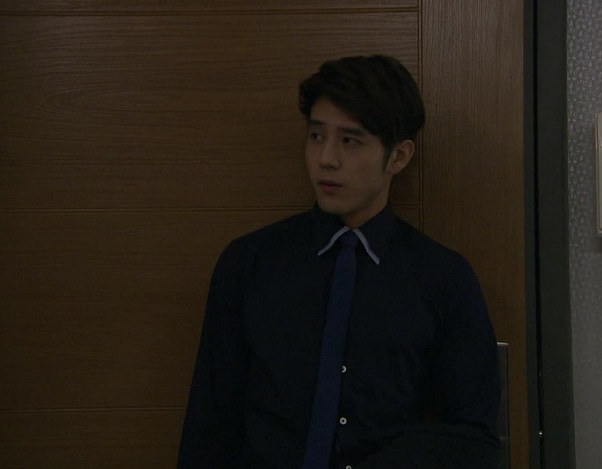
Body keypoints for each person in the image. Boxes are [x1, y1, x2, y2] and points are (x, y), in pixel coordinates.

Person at [178, 55, 500, 469]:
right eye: (316, 136)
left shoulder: (443, 278)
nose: (326, 159)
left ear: (398, 157)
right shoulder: (249, 263)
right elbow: (209, 425)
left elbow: (474, 437)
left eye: (350, 141)